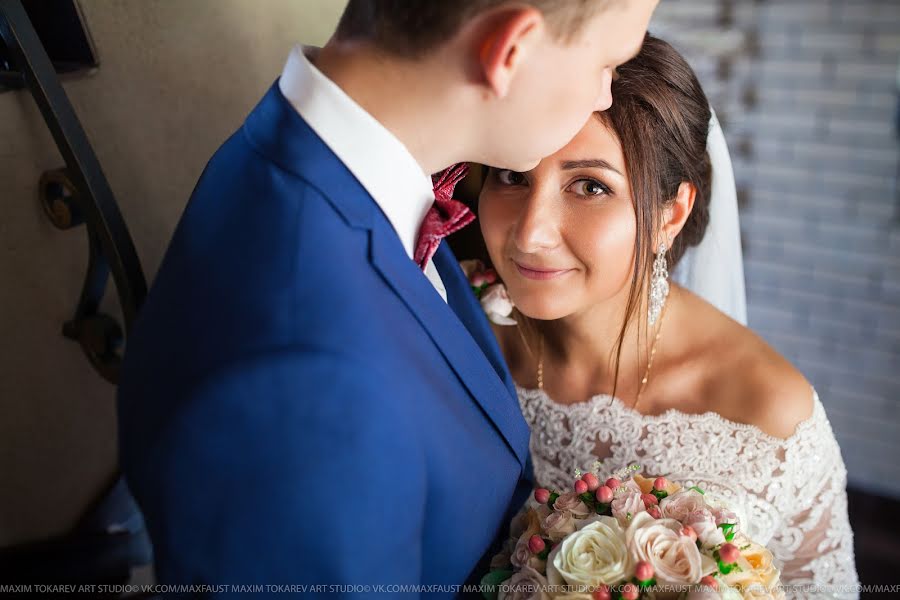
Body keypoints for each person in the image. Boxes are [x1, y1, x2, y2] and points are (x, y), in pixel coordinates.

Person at [116, 0, 658, 593]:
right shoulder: (303, 374)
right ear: (510, 52)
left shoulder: (320, 159)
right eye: (608, 61)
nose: (605, 95)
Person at [478, 35, 859, 597]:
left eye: (589, 186)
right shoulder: (460, 333)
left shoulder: (766, 415)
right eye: (512, 176)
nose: (530, 233)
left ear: (668, 213)